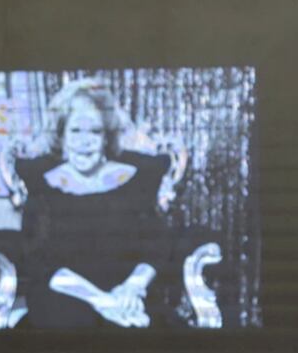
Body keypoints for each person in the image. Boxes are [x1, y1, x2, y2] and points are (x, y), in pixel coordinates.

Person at [16, 79, 177, 328]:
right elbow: (40, 263)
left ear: (106, 137)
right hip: (65, 295)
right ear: (62, 135)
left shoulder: (137, 177)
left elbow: (157, 245)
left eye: (95, 131)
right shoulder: (42, 184)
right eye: (75, 131)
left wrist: (132, 288)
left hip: (129, 295)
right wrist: (103, 302)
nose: (84, 141)